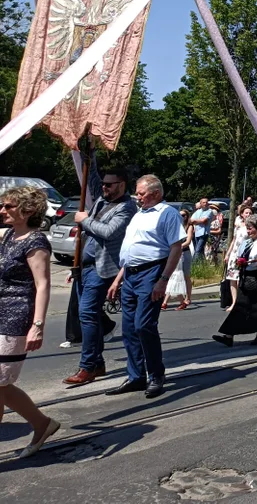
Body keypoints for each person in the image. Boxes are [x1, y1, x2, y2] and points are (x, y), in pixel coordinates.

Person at [106, 175, 187, 399]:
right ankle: (136, 376)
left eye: (141, 193)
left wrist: (163, 280)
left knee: (144, 325)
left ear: (156, 194)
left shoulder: (167, 213)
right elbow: (131, 250)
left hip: (151, 273)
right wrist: (118, 279)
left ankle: (156, 374)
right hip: (131, 274)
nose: (137, 197)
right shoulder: (139, 215)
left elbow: (176, 248)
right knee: (129, 329)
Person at [62, 161, 136, 387]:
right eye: (103, 184)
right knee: (89, 315)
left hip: (101, 268)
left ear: (121, 185)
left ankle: (88, 366)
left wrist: (84, 220)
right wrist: (90, 155)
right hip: (84, 266)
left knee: (86, 314)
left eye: (109, 185)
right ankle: (98, 362)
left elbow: (109, 232)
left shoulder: (126, 208)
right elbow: (90, 177)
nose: (104, 188)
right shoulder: (102, 200)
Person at [0, 186, 60, 458]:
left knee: (0, 382)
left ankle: (42, 423)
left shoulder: (35, 242)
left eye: (9, 206)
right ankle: (41, 424)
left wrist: (37, 325)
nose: (2, 210)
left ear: (28, 210)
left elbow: (43, 285)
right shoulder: (11, 235)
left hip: (16, 317)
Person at [213, 215, 257, 346]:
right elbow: (240, 257)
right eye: (247, 229)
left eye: (251, 229)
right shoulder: (246, 243)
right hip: (246, 276)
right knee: (240, 306)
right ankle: (229, 335)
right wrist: (240, 263)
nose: (249, 232)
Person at [161, 210, 194, 311]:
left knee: (185, 276)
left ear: (187, 216)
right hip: (176, 253)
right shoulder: (175, 226)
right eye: (180, 215)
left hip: (185, 252)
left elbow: (188, 241)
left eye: (184, 215)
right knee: (174, 276)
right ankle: (167, 302)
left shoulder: (189, 226)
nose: (182, 217)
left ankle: (187, 297)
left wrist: (176, 247)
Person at [190, 198, 213, 262]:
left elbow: (203, 220)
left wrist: (196, 221)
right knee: (200, 251)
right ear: (200, 204)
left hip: (204, 233)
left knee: (197, 250)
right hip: (197, 233)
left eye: (206, 202)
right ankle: (203, 264)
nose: (205, 204)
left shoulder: (210, 211)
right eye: (203, 202)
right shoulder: (198, 211)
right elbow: (191, 220)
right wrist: (199, 221)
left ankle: (193, 264)